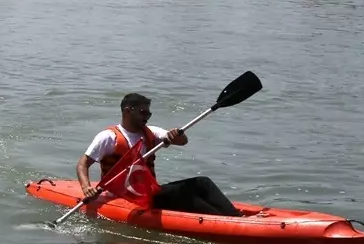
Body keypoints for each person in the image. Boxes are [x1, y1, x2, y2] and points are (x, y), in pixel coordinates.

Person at [76, 92, 243, 217]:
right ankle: (224, 221)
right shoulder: (108, 137)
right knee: (185, 195)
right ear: (127, 111)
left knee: (202, 183)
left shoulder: (151, 132)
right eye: (143, 112)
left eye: (149, 113)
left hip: (150, 193)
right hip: (124, 197)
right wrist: (86, 188)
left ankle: (234, 217)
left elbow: (182, 141)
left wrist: (175, 135)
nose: (147, 117)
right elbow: (83, 164)